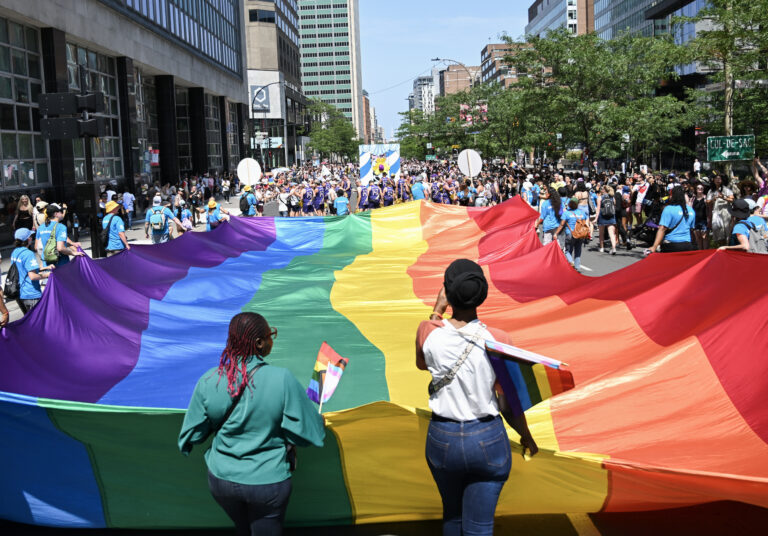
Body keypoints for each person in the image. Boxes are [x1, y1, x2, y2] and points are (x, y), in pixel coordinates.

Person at [416, 260, 538, 536]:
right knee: (479, 527)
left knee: (452, 517)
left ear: (447, 293)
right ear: (480, 295)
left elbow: (423, 364)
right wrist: (525, 435)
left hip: (442, 438)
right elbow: (508, 402)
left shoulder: (426, 331)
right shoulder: (499, 339)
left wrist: (437, 310)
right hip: (488, 439)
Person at [178, 312, 325, 536]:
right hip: (268, 485)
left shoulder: (209, 380)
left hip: (221, 481)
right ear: (259, 343)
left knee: (243, 528)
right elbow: (309, 436)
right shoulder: (282, 379)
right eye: (270, 335)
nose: (271, 339)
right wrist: (317, 420)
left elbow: (193, 436)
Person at [11, 228, 54, 315]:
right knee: (38, 322)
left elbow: (22, 268)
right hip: (31, 294)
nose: (32, 238)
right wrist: (47, 274)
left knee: (29, 322)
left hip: (20, 294)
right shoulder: (28, 254)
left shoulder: (15, 252)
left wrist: (45, 268)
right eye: (30, 236)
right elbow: (33, 276)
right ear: (28, 239)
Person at [647, 186, 696, 254]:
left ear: (672, 195)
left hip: (671, 245)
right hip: (687, 245)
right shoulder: (691, 210)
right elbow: (691, 230)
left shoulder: (669, 209)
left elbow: (662, 229)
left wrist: (654, 247)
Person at [555, 197, 588, 272]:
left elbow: (561, 224)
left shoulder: (566, 213)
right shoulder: (582, 213)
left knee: (567, 251)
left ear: (569, 204)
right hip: (580, 234)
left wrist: (556, 233)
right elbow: (584, 222)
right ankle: (578, 267)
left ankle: (570, 261)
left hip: (570, 234)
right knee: (578, 251)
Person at [595, 185, 618, 254]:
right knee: (611, 233)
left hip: (602, 216)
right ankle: (614, 248)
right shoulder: (612, 198)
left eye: (602, 189)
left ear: (604, 190)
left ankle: (602, 247)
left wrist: (596, 218)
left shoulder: (600, 198)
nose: (601, 190)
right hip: (611, 216)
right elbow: (614, 207)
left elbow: (598, 209)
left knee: (601, 233)